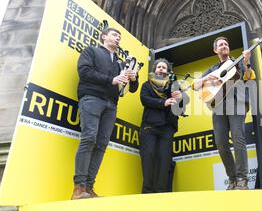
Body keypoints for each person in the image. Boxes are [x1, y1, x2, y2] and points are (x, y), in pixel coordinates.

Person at [72, 27, 139, 200]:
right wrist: (111, 79)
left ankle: (89, 187)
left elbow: (131, 89)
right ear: (104, 37)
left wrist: (133, 78)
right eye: (115, 35)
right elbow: (84, 72)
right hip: (92, 98)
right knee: (89, 138)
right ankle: (78, 188)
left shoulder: (120, 62)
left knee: (101, 144)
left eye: (120, 37)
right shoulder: (91, 51)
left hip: (111, 104)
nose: (118, 38)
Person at [193, 37, 256, 190]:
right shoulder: (213, 68)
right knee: (221, 143)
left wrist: (247, 62)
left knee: (238, 138)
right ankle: (232, 179)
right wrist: (207, 77)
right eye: (221, 45)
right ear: (215, 50)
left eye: (226, 44)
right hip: (218, 105)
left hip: (236, 102)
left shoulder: (238, 61)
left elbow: (248, 77)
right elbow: (195, 86)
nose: (224, 46)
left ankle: (242, 179)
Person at [139, 58, 189, 193]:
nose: (161, 69)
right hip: (149, 127)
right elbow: (145, 99)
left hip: (167, 127)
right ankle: (147, 192)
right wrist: (163, 102)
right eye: (159, 67)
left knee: (164, 159)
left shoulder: (174, 85)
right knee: (148, 158)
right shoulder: (146, 85)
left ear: (168, 71)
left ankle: (161, 191)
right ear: (154, 70)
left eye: (164, 68)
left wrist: (180, 98)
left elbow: (183, 105)